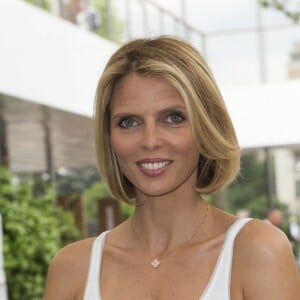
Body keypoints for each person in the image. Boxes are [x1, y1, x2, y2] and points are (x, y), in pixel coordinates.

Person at [43, 36, 300, 299]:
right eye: (129, 122)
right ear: (109, 136)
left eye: (173, 118)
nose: (150, 141)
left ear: (206, 125)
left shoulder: (256, 251)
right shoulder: (73, 269)